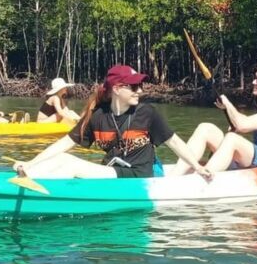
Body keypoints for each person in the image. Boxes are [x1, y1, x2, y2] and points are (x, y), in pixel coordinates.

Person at [13, 64, 211, 179]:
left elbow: (174, 142)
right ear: (117, 89)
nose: (140, 91)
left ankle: (30, 180)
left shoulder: (147, 113)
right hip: (113, 171)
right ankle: (27, 174)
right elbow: (65, 143)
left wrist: (199, 167)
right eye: (134, 87)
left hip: (138, 174)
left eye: (140, 86)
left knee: (69, 163)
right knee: (60, 159)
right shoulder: (98, 115)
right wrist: (32, 161)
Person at [167, 63, 257, 176]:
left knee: (232, 139)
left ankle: (203, 178)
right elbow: (244, 121)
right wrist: (229, 114)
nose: (253, 82)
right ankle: (175, 176)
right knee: (206, 128)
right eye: (255, 78)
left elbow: (243, 125)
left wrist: (228, 104)